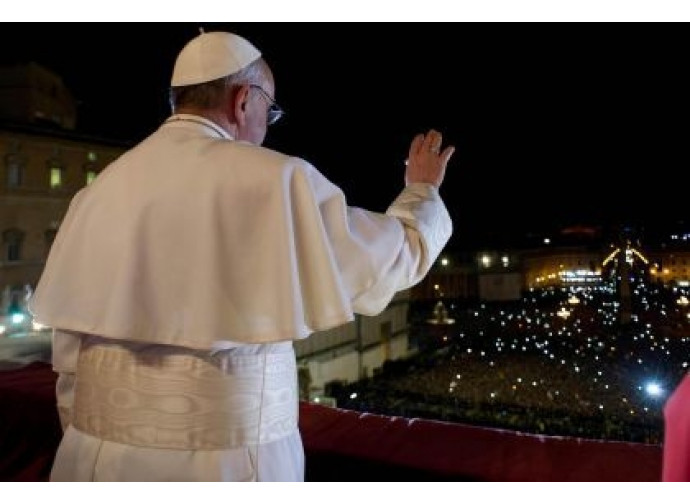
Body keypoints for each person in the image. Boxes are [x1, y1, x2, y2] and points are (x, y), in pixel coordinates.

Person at [29, 30, 454, 482]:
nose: (267, 124)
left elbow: (70, 360)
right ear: (243, 100)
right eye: (269, 110)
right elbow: (392, 257)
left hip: (94, 461)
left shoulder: (98, 191)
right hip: (229, 466)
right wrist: (421, 191)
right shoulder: (278, 179)